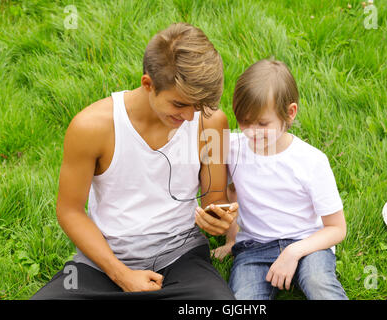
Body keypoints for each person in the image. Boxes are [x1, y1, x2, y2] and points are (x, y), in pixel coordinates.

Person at [31, 23, 238, 300]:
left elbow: (213, 200)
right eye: (179, 105)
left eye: (198, 105)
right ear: (148, 84)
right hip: (104, 261)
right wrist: (121, 274)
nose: (190, 117)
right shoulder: (91, 127)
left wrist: (218, 218)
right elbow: (70, 210)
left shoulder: (212, 123)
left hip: (181, 256)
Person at [213, 59, 348, 300]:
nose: (251, 132)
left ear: (290, 113)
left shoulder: (311, 161)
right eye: (243, 121)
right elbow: (231, 194)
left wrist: (293, 252)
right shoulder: (233, 149)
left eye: (263, 124)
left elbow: (337, 228)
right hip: (253, 250)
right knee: (244, 298)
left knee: (319, 284)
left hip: (307, 244)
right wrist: (231, 239)